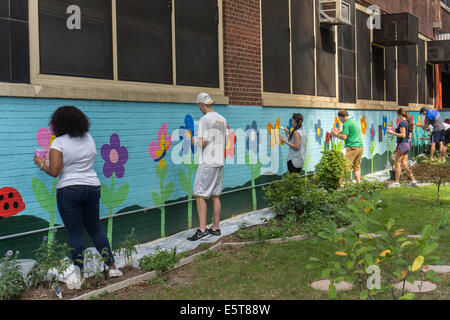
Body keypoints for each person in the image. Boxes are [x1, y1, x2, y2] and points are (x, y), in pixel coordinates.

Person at [33, 106, 122, 286]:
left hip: (69, 190)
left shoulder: (59, 143)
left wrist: (41, 163)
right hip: (92, 187)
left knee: (75, 233)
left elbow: (55, 171)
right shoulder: (88, 138)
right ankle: (112, 267)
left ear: (59, 123)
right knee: (96, 229)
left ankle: (79, 275)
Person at [188, 93, 228, 241]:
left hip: (207, 162)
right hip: (219, 161)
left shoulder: (204, 119)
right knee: (215, 195)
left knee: (199, 194)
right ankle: (216, 228)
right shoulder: (222, 119)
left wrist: (192, 141)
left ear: (201, 105)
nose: (200, 108)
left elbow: (203, 142)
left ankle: (202, 229)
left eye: (199, 106)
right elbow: (225, 142)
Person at [387, 108, 418, 188]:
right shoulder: (408, 123)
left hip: (402, 145)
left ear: (400, 114)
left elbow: (403, 135)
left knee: (397, 164)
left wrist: (392, 133)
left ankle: (396, 183)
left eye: (397, 115)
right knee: (404, 164)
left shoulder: (402, 123)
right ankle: (413, 181)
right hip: (407, 144)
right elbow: (408, 136)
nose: (397, 117)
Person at [331, 110, 364, 184]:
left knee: (342, 168)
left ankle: (340, 187)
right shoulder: (353, 121)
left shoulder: (346, 123)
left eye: (340, 119)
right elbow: (348, 130)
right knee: (356, 168)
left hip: (351, 148)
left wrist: (336, 135)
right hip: (360, 147)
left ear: (341, 117)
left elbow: (344, 137)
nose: (341, 121)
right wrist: (338, 132)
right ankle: (359, 184)